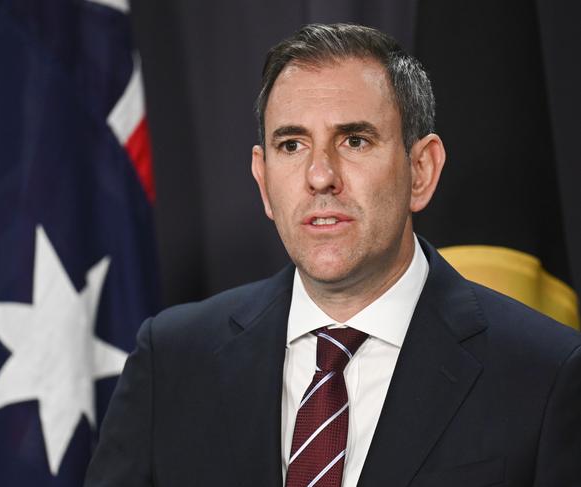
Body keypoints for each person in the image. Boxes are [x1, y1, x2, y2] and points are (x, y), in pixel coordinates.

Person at [85, 24, 581, 487]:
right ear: (263, 180)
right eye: (292, 144)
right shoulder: (171, 360)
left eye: (355, 140)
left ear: (422, 170)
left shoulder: (547, 374)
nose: (320, 175)